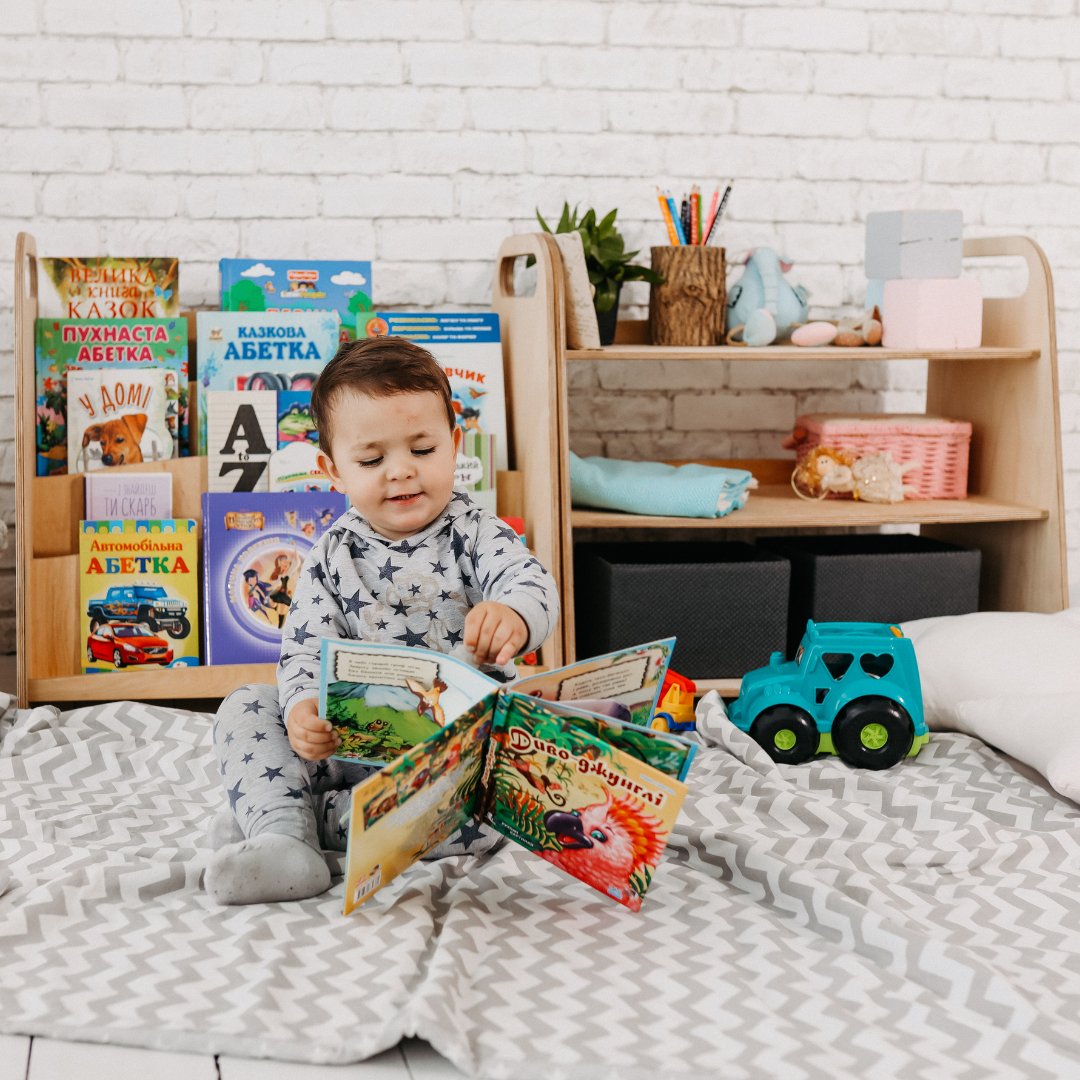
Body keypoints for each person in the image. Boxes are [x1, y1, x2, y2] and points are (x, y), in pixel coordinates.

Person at [204, 337, 560, 905]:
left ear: (455, 445)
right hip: (345, 752)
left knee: (506, 805)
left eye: (423, 450)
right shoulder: (331, 553)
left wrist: (514, 614)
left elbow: (533, 583)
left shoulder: (475, 532)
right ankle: (282, 837)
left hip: (450, 765)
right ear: (334, 470)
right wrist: (301, 710)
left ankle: (291, 823)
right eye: (372, 461)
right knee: (246, 704)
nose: (401, 473)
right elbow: (301, 650)